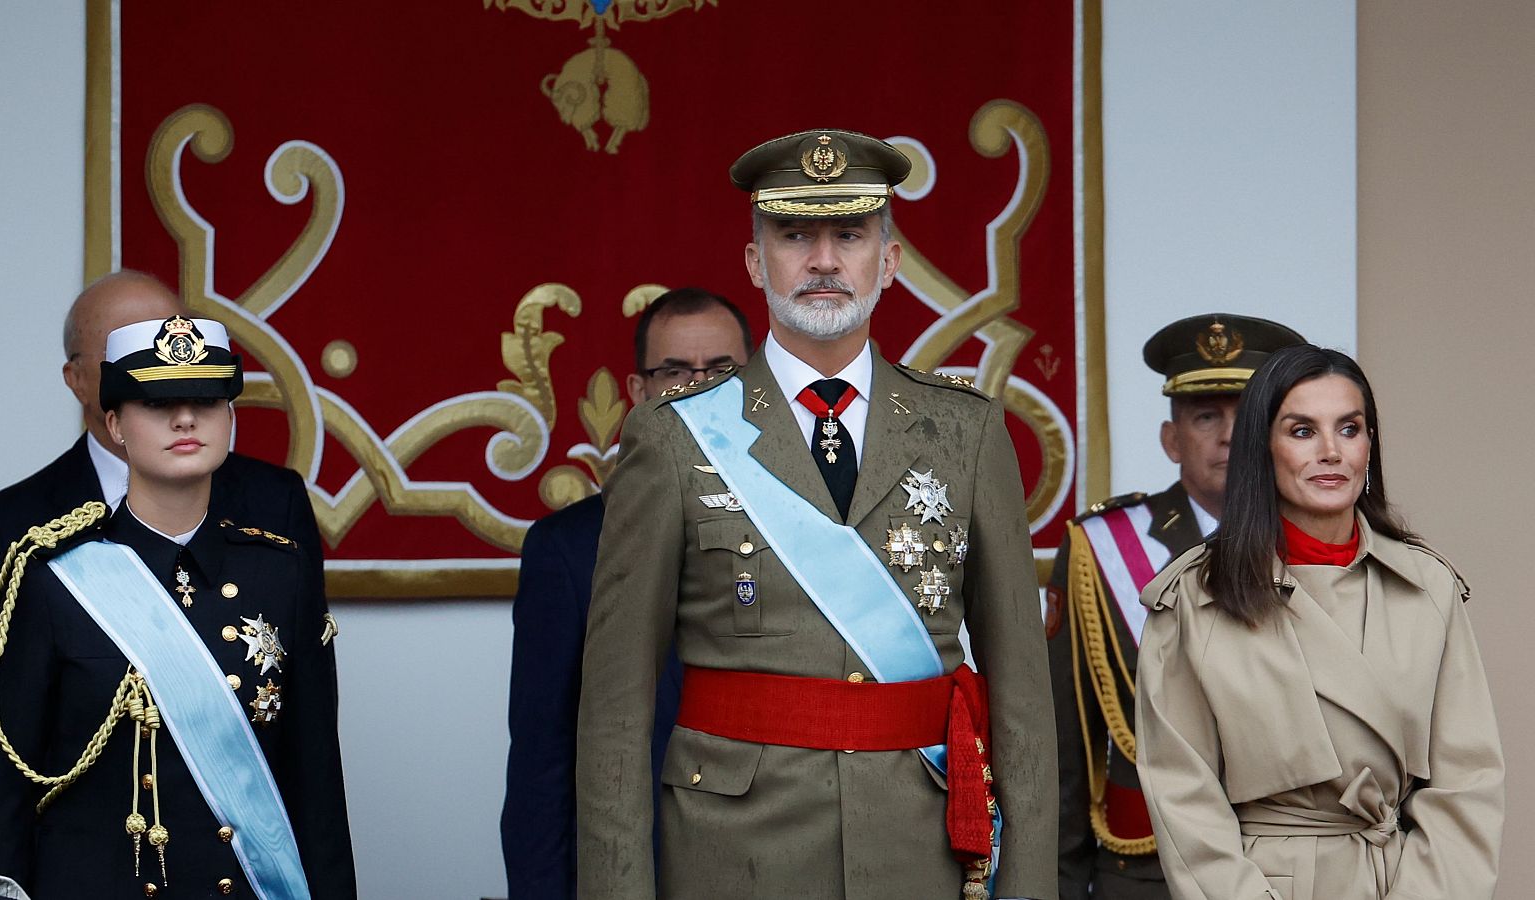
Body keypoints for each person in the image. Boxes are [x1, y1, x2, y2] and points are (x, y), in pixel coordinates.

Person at [575, 129, 1055, 900]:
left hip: (919, 855)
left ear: (889, 261)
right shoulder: (672, 437)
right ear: (755, 262)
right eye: (795, 235)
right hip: (734, 856)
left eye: (850, 234)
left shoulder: (966, 431)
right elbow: (614, 715)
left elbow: (1024, 699)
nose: (824, 260)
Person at [0, 272, 321, 867]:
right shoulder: (11, 527)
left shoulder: (275, 505)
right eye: (132, 354)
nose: (168, 364)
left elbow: (309, 753)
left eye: (178, 340)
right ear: (80, 381)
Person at [1135, 345, 1504, 900]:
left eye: (1349, 429)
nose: (1331, 451)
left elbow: (1468, 785)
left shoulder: (1429, 588)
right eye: (1303, 431)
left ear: (1369, 445)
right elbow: (1183, 796)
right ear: (1264, 447)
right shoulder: (1196, 596)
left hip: (1405, 881)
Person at [500, 287, 755, 899]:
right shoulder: (566, 551)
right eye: (674, 371)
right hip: (642, 875)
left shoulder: (814, 529)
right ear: (638, 393)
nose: (699, 388)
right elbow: (542, 769)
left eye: (722, 370)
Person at [1046, 314, 1303, 899]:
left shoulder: (1321, 541)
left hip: (1294, 865)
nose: (1229, 435)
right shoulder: (1103, 546)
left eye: (1247, 415)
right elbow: (1069, 735)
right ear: (1172, 439)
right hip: (1145, 869)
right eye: (1206, 415)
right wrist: (1059, 882)